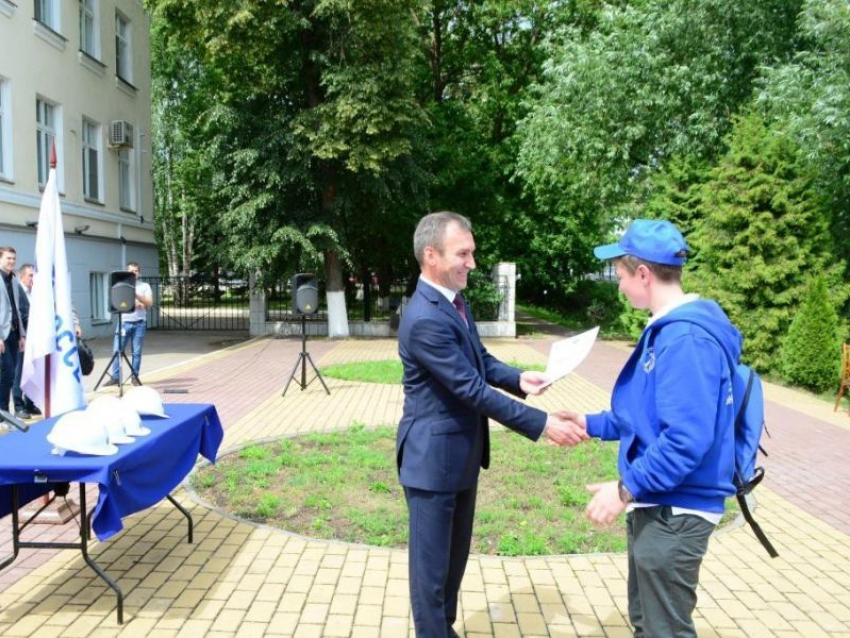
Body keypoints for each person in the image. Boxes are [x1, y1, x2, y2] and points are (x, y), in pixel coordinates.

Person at [397, 212, 587, 638]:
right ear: (431, 255)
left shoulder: (453, 303)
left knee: (452, 567)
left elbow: (479, 362)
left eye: (473, 252)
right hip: (431, 464)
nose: (472, 263)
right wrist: (541, 424)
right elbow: (470, 390)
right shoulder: (425, 317)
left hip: (460, 457)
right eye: (463, 253)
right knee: (430, 578)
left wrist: (520, 378)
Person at [561, 219, 742, 638]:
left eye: (621, 275)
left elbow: (685, 440)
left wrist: (624, 490)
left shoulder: (685, 340)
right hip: (661, 503)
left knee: (664, 631)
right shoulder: (671, 331)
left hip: (677, 511)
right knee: (648, 623)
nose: (619, 286)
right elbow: (646, 416)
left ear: (643, 274)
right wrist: (588, 423)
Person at [104, 261, 153, 386]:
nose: (134, 273)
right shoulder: (121, 285)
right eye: (131, 271)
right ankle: (115, 377)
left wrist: (136, 294)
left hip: (139, 323)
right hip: (124, 322)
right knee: (117, 351)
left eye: (136, 271)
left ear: (139, 273)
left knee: (136, 352)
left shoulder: (144, 286)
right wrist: (133, 303)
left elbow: (149, 303)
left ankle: (134, 378)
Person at [0, 247, 27, 416]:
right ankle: (3, 411)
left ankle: (3, 411)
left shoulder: (14, 280)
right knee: (8, 371)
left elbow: (17, 309)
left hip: (14, 333)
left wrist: (22, 335)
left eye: (14, 259)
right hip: (2, 334)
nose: (11, 261)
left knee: (10, 373)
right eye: (8, 258)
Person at [11, 263, 39, 418]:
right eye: (30, 275)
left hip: (35, 339)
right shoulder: (17, 291)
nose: (33, 278)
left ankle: (30, 404)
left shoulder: (35, 292)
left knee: (33, 372)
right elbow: (20, 315)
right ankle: (19, 406)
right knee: (20, 372)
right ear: (21, 276)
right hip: (23, 338)